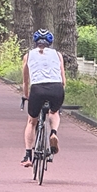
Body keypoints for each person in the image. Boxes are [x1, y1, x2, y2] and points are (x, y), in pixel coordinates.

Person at [21, 28, 66, 166]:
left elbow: (25, 81)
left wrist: (27, 96)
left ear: (35, 42)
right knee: (54, 112)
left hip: (37, 89)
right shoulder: (58, 55)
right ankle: (53, 133)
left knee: (31, 121)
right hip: (56, 88)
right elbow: (63, 81)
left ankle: (28, 155)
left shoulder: (28, 56)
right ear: (50, 43)